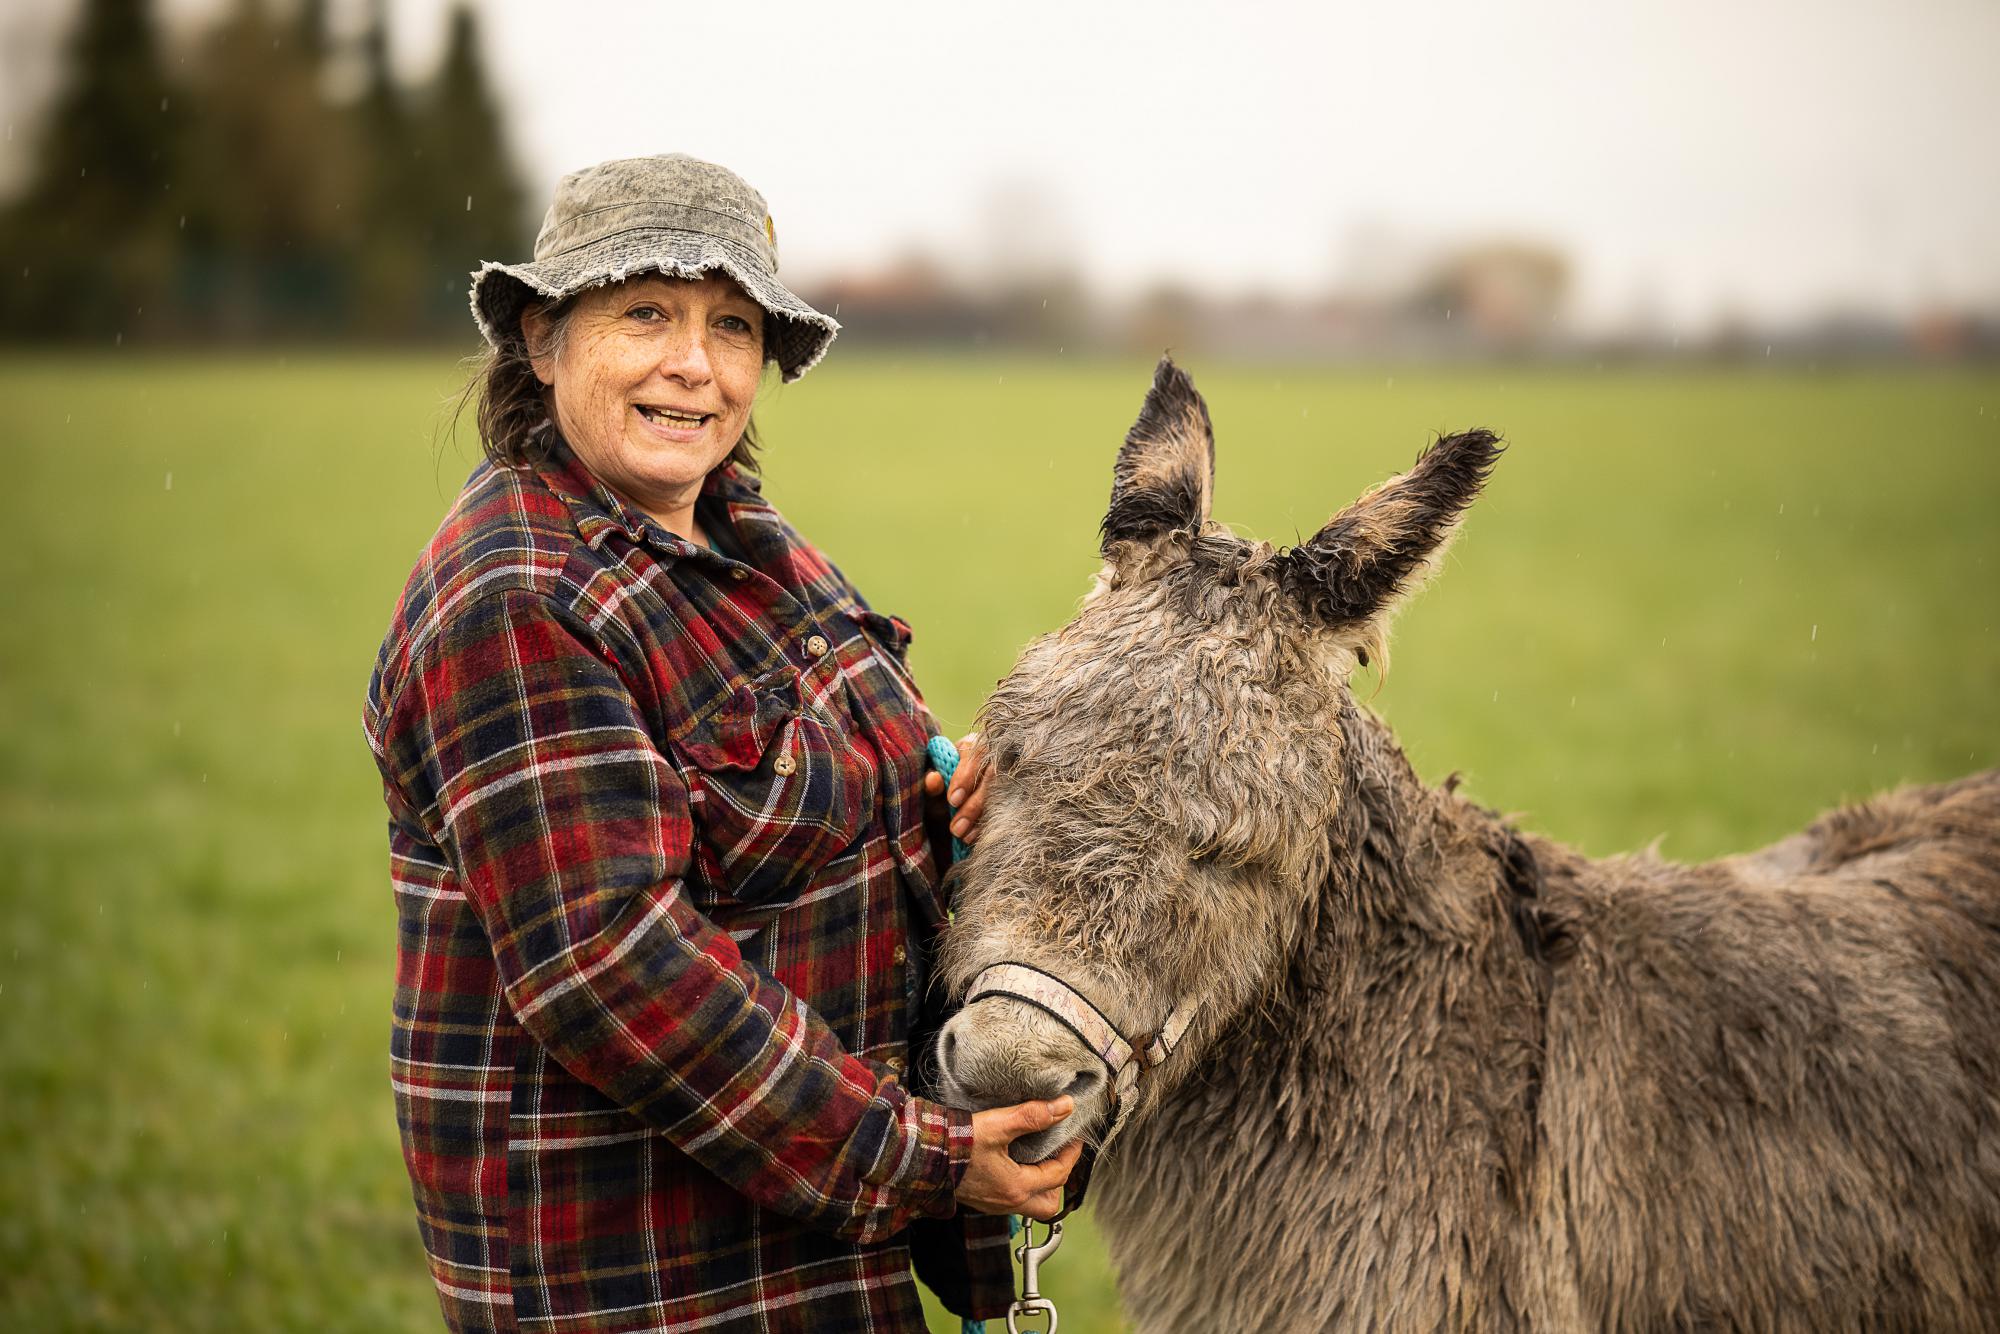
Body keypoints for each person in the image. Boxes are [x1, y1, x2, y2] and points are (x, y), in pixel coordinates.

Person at [362, 154, 1079, 1334]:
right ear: (542, 340)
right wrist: (920, 1156)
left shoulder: (744, 534)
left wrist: (940, 797)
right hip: (646, 1275)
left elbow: (797, 797)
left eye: (731, 326)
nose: (693, 363)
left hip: (800, 1248)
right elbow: (612, 966)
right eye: (645, 312)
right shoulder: (519, 599)